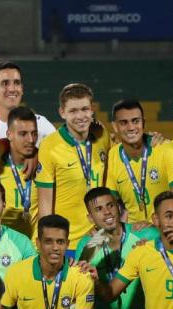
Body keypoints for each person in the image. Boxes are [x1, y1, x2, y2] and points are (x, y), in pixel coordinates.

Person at [74, 187, 157, 309]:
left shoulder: (146, 235)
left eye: (110, 205)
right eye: (99, 209)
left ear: (118, 207)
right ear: (90, 218)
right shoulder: (87, 246)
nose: (107, 212)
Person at [34, 83, 107, 248]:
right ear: (62, 113)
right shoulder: (50, 146)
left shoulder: (103, 137)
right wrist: (50, 244)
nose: (80, 116)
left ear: (92, 109)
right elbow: (45, 205)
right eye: (73, 111)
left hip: (99, 237)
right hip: (67, 242)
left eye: (84, 109)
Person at [104, 99, 173, 224]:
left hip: (165, 228)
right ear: (115, 126)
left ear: (143, 123)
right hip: (132, 233)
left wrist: (153, 224)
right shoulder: (113, 155)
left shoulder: (165, 148)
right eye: (124, 123)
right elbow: (111, 202)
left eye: (135, 121)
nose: (131, 127)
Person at [0, 106, 39, 237]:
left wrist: (39, 153)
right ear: (9, 134)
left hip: (35, 249)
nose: (31, 140)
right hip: (4, 248)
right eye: (23, 134)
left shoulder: (44, 164)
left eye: (34, 133)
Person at [0, 61, 55, 144]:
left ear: (22, 89)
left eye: (16, 83)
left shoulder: (41, 125)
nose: (12, 89)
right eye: (5, 83)